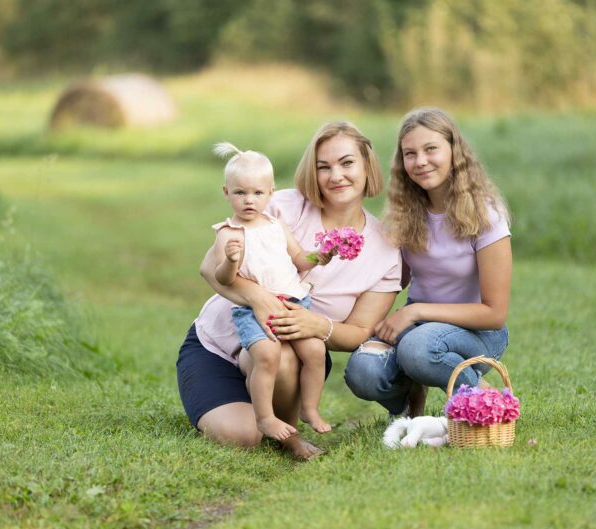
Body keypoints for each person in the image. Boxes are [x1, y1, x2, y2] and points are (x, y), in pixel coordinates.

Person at [177, 121, 402, 460]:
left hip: (293, 355)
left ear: (367, 165)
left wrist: (319, 326)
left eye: (346, 163)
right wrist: (257, 296)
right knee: (243, 436)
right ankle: (254, 413)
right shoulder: (280, 206)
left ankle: (287, 424)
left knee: (280, 357)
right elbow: (209, 268)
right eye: (323, 166)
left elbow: (360, 332)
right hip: (218, 344)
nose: (335, 175)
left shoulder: (386, 249)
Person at [344, 107, 512, 417]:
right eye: (410, 153)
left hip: (477, 332)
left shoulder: (486, 215)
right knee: (362, 371)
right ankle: (411, 399)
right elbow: (393, 279)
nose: (420, 161)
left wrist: (415, 311)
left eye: (430, 149)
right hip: (417, 326)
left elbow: (494, 314)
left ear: (453, 150)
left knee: (417, 349)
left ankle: (484, 399)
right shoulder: (406, 213)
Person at [209, 141, 332, 440]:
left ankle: (309, 408)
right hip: (254, 309)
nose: (249, 200)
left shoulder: (277, 226)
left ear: (270, 193)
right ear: (226, 193)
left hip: (294, 302)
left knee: (315, 350)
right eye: (240, 192)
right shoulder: (228, 233)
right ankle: (264, 417)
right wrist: (231, 260)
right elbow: (223, 279)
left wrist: (321, 255)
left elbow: (300, 258)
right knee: (266, 354)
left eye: (257, 193)